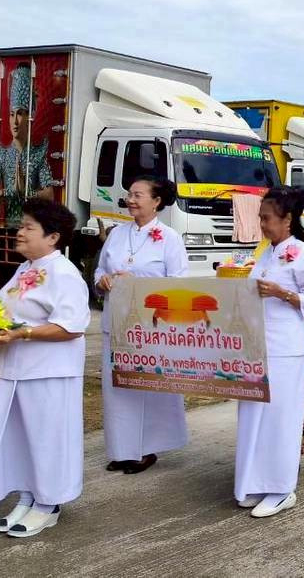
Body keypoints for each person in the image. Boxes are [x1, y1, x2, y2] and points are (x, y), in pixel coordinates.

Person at [0, 198, 90, 537]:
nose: (19, 232)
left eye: (28, 228)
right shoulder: (26, 268)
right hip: (12, 371)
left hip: (47, 372)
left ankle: (49, 504)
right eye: (20, 226)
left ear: (53, 237)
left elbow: (71, 327)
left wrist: (23, 333)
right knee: (19, 438)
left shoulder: (64, 273)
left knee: (47, 438)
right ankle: (27, 496)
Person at [236, 186, 304, 518]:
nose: (261, 224)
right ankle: (254, 481)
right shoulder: (266, 253)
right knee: (253, 416)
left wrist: (282, 293)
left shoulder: (302, 253)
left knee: (280, 419)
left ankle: (281, 488)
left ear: (287, 219)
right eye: (260, 218)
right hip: (258, 345)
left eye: (267, 218)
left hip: (286, 347)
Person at [94, 176, 189, 475]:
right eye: (129, 194)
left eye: (138, 195)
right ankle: (122, 450)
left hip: (150, 326)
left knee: (147, 386)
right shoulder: (117, 234)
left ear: (156, 201)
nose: (131, 200)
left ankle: (146, 448)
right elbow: (100, 268)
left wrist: (139, 284)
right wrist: (102, 280)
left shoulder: (170, 238)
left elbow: (178, 283)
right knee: (117, 386)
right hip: (116, 321)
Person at [0, 63, 54, 226]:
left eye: (20, 114)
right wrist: (11, 192)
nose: (15, 121)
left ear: (29, 117)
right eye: (12, 114)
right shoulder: (3, 155)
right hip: (9, 224)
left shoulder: (37, 155)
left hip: (31, 226)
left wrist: (27, 192)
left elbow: (49, 195)